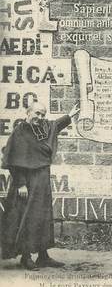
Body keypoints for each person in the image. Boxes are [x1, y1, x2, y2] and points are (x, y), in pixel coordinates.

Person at [1, 101, 79, 270]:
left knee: (43, 216)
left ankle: (43, 256)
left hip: (42, 179)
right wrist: (21, 184)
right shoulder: (19, 131)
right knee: (26, 217)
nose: (40, 117)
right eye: (37, 113)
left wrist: (69, 116)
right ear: (28, 113)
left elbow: (55, 125)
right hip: (26, 182)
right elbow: (14, 159)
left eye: (43, 114)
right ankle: (26, 256)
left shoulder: (44, 127)